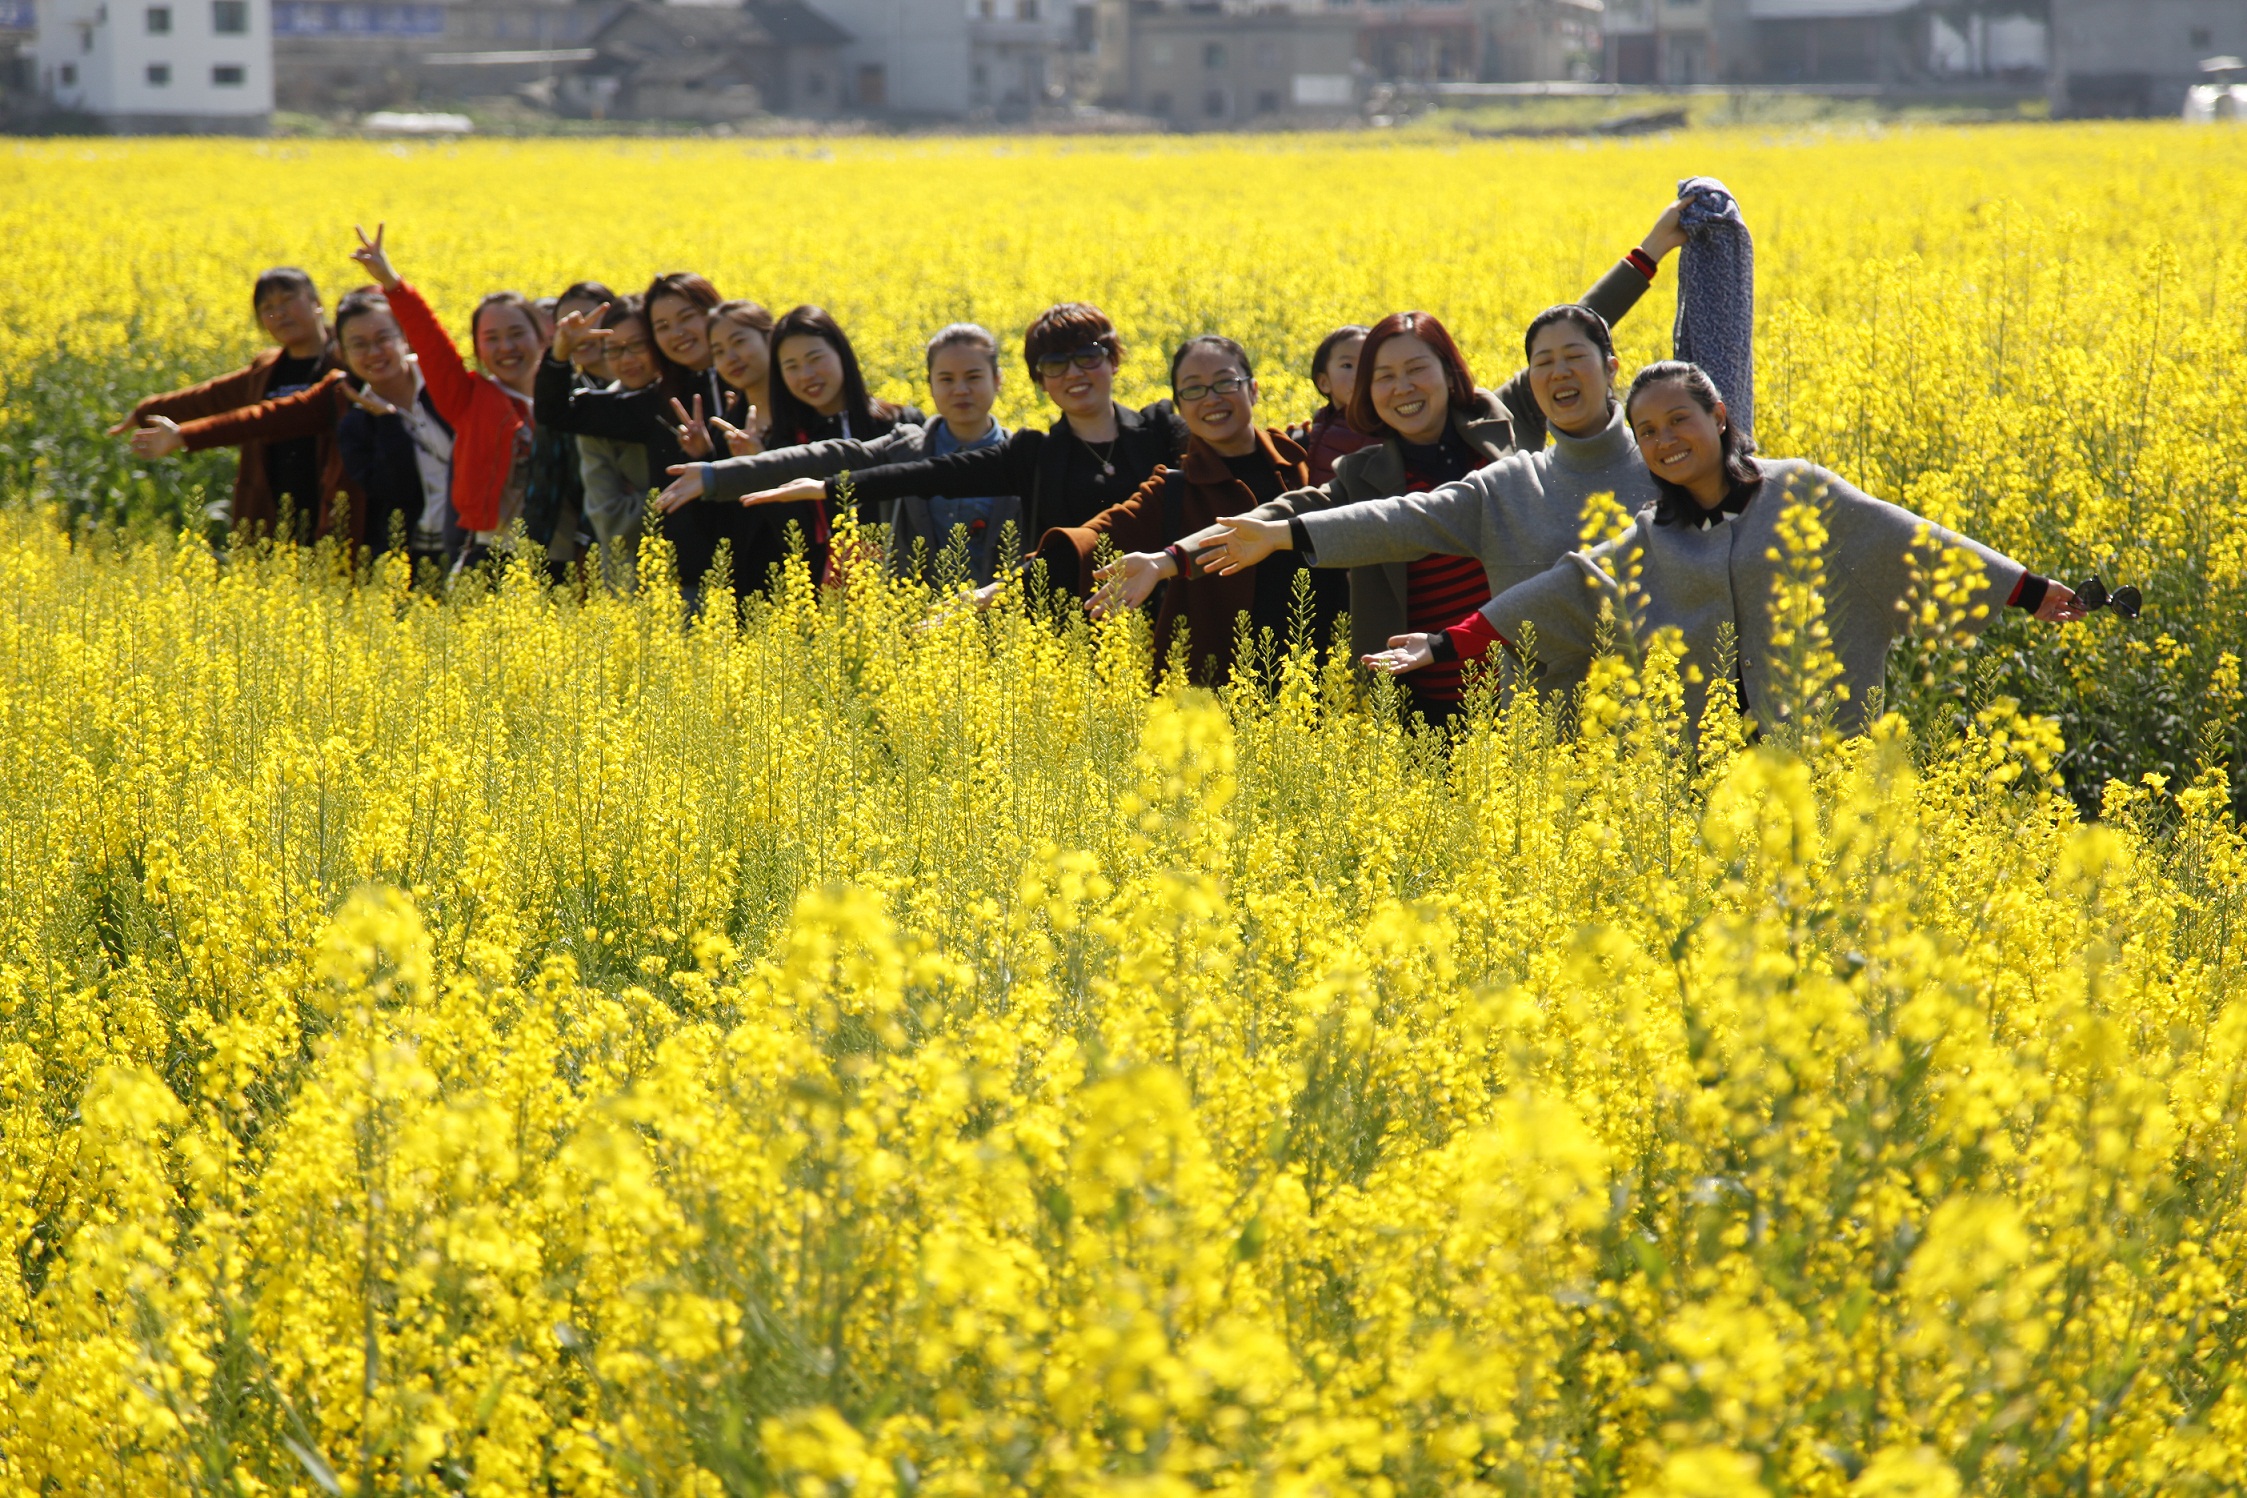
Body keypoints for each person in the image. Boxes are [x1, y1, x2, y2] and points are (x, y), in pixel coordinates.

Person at [1131, 195, 1695, 721]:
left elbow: (1573, 336)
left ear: (1449, 374)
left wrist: (1648, 253)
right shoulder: (1364, 474)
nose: (1401, 388)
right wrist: (1168, 560)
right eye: (1382, 376)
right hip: (1425, 703)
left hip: (1530, 687)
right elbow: (1281, 518)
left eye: (1415, 369)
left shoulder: (1502, 422)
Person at [1357, 361, 2087, 735]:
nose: (1665, 440)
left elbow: (1908, 542)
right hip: (1707, 775)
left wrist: (2024, 589)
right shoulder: (1650, 539)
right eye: (1647, 432)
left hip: (1817, 757)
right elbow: (1567, 592)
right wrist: (1449, 643)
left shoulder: (1800, 491)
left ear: (1718, 416)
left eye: (1680, 420)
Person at [1197, 305, 1659, 727]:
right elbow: (1398, 519)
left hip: (1637, 709)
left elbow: (1579, 318)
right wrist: (1273, 536)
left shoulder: (1660, 464)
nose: (1558, 372)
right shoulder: (1507, 481)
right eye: (1543, 362)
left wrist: (1651, 251)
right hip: (1487, 713)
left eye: (1417, 369)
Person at [731, 302, 1187, 553]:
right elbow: (915, 472)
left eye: (1088, 357)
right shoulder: (1029, 454)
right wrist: (823, 485)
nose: (1074, 373)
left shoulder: (1157, 430)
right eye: (1055, 363)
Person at [1048, 334, 1343, 684]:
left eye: (1224, 382)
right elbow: (1094, 536)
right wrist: (1012, 583)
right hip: (1215, 694)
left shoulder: (1306, 458)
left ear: (1253, 389)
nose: (1211, 398)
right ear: (1181, 407)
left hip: (1324, 679)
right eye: (1193, 389)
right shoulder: (1173, 489)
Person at [655, 322, 1014, 585]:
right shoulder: (907, 445)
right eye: (946, 379)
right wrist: (717, 475)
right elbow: (821, 457)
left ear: (998, 380)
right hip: (916, 638)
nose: (960, 390)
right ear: (930, 384)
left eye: (974, 377)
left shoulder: (1022, 457)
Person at [536, 272, 747, 600]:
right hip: (690, 580)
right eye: (662, 327)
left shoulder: (751, 378)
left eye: (686, 318)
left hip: (758, 565)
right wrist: (560, 353)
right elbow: (557, 413)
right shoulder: (661, 402)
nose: (676, 334)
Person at [348, 223, 543, 572]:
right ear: (478, 348)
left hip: (557, 552)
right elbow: (430, 342)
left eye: (517, 334)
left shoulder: (566, 401)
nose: (506, 348)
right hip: (490, 552)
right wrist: (392, 282)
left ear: (541, 337)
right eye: (492, 338)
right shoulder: (469, 399)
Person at [113, 266, 345, 542]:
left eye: (287, 300)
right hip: (271, 507)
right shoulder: (266, 368)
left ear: (316, 303)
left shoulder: (346, 363)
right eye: (267, 307)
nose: (279, 313)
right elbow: (211, 397)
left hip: (331, 501)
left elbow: (263, 418)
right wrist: (146, 412)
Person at [577, 298, 660, 591]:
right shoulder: (597, 416)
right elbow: (610, 520)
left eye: (638, 345)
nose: (626, 360)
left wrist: (638, 497)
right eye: (614, 350)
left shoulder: (691, 400)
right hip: (629, 583)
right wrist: (676, 497)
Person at [1289, 325, 1373, 486]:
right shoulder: (1322, 420)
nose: (1361, 374)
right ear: (1324, 382)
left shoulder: (1377, 427)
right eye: (1348, 366)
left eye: (1369, 365)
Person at [707, 300, 776, 440]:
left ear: (770, 338)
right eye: (719, 352)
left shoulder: (805, 409)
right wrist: (703, 454)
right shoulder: (726, 429)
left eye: (739, 342)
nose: (730, 358)